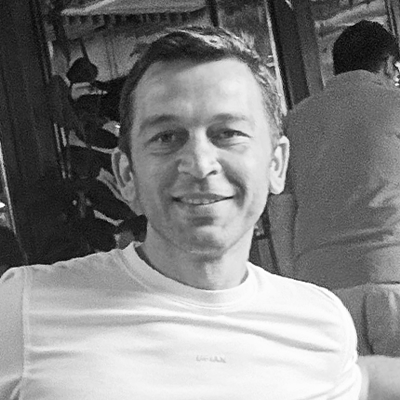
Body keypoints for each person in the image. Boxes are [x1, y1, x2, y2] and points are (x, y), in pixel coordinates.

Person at [0, 25, 399, 399]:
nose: (200, 163)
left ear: (276, 165)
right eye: (166, 137)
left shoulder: (321, 324)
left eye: (228, 133)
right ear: (126, 174)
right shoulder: (24, 310)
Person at [284, 20, 400, 356]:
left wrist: (295, 286)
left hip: (322, 292)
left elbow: (281, 213)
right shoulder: (395, 105)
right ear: (388, 65)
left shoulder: (295, 120)